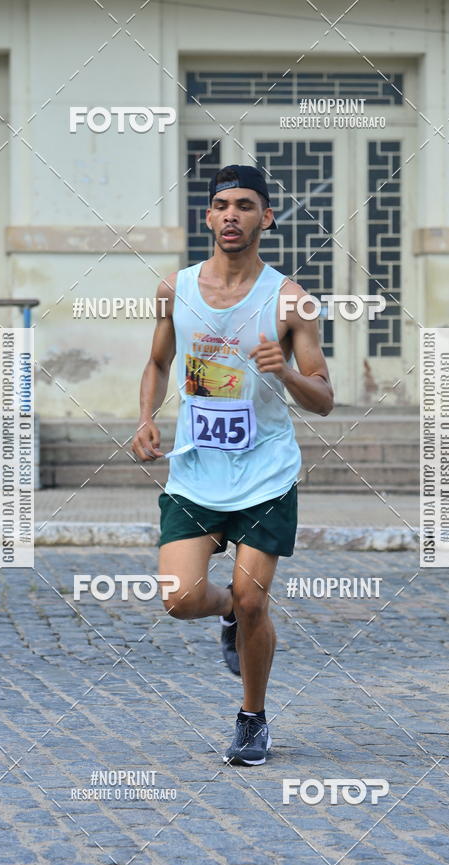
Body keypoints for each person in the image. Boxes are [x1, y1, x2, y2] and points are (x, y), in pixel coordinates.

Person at [131, 164, 334, 765]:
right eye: (222, 205)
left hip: (265, 473)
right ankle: (226, 615)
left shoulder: (291, 300)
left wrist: (286, 372)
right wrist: (145, 418)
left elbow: (324, 397)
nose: (231, 215)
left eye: (245, 205)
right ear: (208, 216)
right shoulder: (175, 289)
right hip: (197, 471)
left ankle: (252, 718)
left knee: (253, 600)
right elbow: (157, 363)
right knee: (179, 598)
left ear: (265, 218)